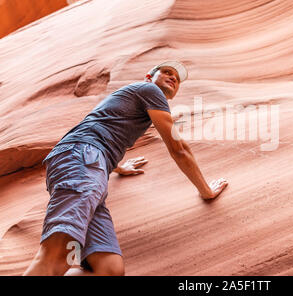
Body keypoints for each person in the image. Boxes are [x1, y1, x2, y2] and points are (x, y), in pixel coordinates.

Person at [23, 61, 228, 276]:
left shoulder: (134, 100)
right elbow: (178, 148)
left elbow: (104, 125)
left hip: (90, 162)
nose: (173, 78)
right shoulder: (150, 90)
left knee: (110, 269)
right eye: (167, 72)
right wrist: (206, 191)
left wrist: (115, 165)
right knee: (57, 252)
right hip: (83, 158)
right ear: (149, 77)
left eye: (177, 78)